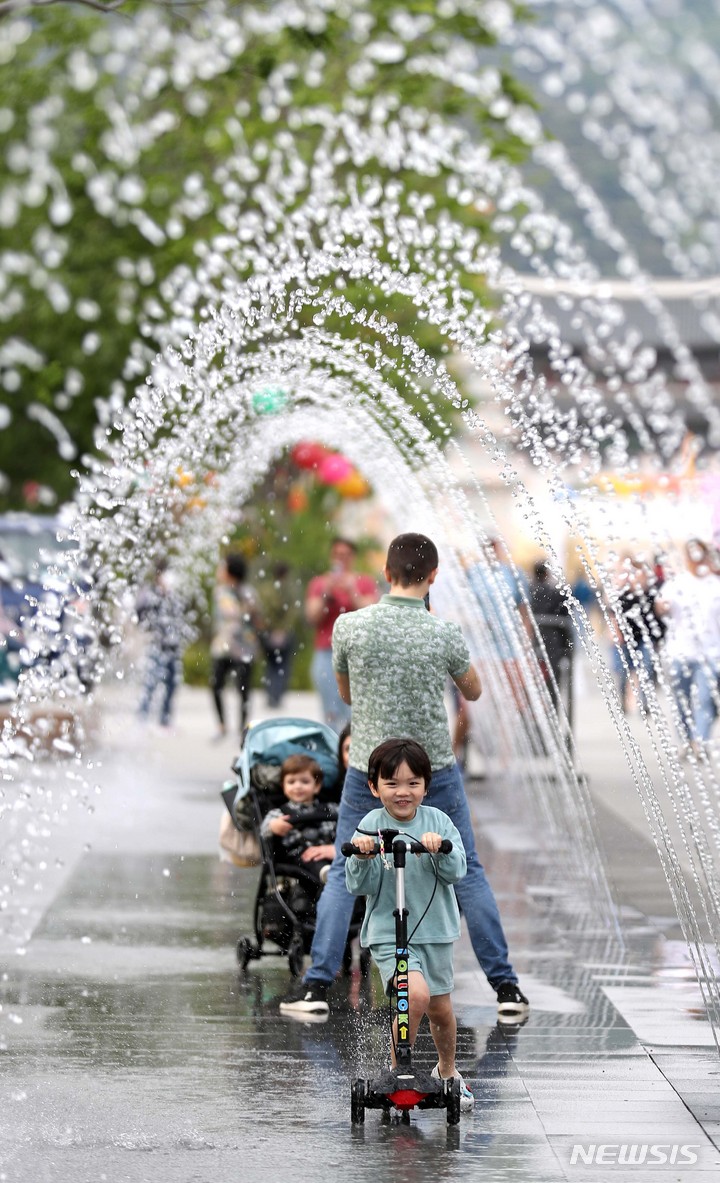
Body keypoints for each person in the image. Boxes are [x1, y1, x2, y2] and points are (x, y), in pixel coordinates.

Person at [280, 532, 528, 1020]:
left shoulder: (351, 627)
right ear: (433, 576)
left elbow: (347, 696)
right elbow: (473, 692)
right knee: (468, 870)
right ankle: (506, 990)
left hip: (367, 773)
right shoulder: (442, 632)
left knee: (343, 875)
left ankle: (315, 990)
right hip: (432, 769)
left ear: (385, 574)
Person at [345, 737, 474, 1111]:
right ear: (374, 787)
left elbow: (458, 870)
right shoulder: (370, 824)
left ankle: (447, 1072)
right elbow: (358, 884)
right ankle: (398, 1071)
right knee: (412, 995)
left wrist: (439, 849)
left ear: (426, 786)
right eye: (392, 783)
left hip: (434, 929)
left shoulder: (438, 821)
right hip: (389, 931)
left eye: (413, 783)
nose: (403, 792)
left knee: (440, 1010)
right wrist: (365, 856)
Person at [304, 537, 378, 732]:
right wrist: (326, 594)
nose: (341, 559)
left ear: (353, 557)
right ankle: (335, 754)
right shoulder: (319, 583)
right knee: (330, 711)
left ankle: (352, 754)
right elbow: (312, 616)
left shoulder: (364, 582)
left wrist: (352, 592)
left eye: (345, 555)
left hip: (358, 654)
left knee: (355, 712)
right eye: (337, 554)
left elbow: (372, 613)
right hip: (326, 652)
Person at [655, 539, 720, 755]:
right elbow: (659, 606)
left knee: (705, 699)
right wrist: (662, 608)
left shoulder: (715, 584)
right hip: (679, 651)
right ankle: (686, 740)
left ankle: (699, 743)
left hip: (711, 653)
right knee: (681, 700)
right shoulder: (677, 583)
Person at [260, 754, 338, 886]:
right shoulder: (279, 813)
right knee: (310, 860)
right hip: (297, 855)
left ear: (317, 786)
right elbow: (264, 829)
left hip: (327, 849)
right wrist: (273, 826)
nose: (298, 786)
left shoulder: (331, 808)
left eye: (305, 782)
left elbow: (348, 821)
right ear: (283, 786)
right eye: (291, 782)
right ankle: (326, 873)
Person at [209, 553, 263, 741]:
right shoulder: (221, 592)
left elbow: (253, 616)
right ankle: (222, 725)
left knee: (243, 689)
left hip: (244, 647)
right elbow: (232, 613)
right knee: (216, 684)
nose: (220, 571)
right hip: (224, 645)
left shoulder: (248, 592)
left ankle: (242, 728)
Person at [136, 560, 185, 729]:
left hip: (173, 646)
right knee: (151, 682)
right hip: (156, 644)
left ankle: (165, 719)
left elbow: (181, 618)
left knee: (172, 684)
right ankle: (142, 718)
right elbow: (140, 614)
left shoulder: (174, 595)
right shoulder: (150, 593)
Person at [527, 559, 574, 716]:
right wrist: (568, 647)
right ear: (547, 573)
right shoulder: (556, 592)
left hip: (531, 642)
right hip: (553, 642)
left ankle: (534, 716)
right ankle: (552, 713)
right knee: (553, 682)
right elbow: (565, 619)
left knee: (532, 682)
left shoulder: (527, 592)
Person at [257, 561, 302, 708]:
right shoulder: (290, 589)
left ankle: (271, 695)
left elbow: (261, 611)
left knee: (270, 665)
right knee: (283, 666)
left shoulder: (265, 589)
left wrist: (269, 628)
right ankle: (277, 696)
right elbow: (293, 612)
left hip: (267, 632)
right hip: (283, 633)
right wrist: (282, 629)